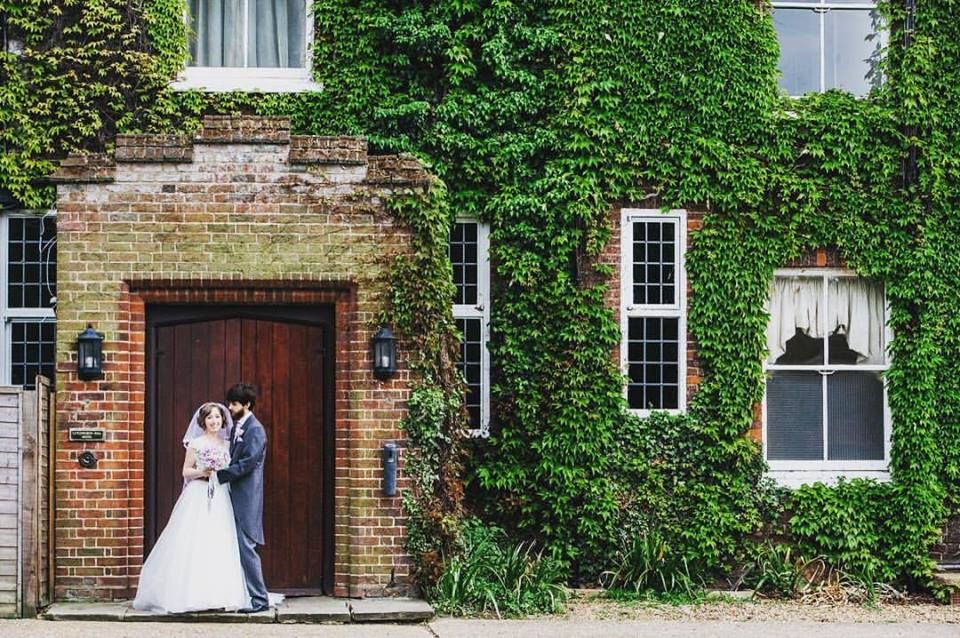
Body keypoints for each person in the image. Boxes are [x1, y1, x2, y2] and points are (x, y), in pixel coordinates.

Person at [132, 402, 250, 613]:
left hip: (220, 496)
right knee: (195, 540)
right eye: (210, 418)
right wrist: (203, 471)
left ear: (223, 420)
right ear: (203, 422)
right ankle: (190, 595)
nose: (214, 421)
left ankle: (220, 594)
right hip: (198, 493)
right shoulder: (196, 443)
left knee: (219, 540)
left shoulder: (227, 444)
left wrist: (220, 474)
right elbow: (186, 471)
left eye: (218, 417)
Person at [217, 382, 270, 613]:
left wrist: (221, 474)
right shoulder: (238, 426)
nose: (230, 407)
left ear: (247, 404)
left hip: (247, 496)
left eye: (234, 404)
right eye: (230, 403)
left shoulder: (255, 429)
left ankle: (260, 600)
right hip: (233, 494)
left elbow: (248, 463)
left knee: (247, 547)